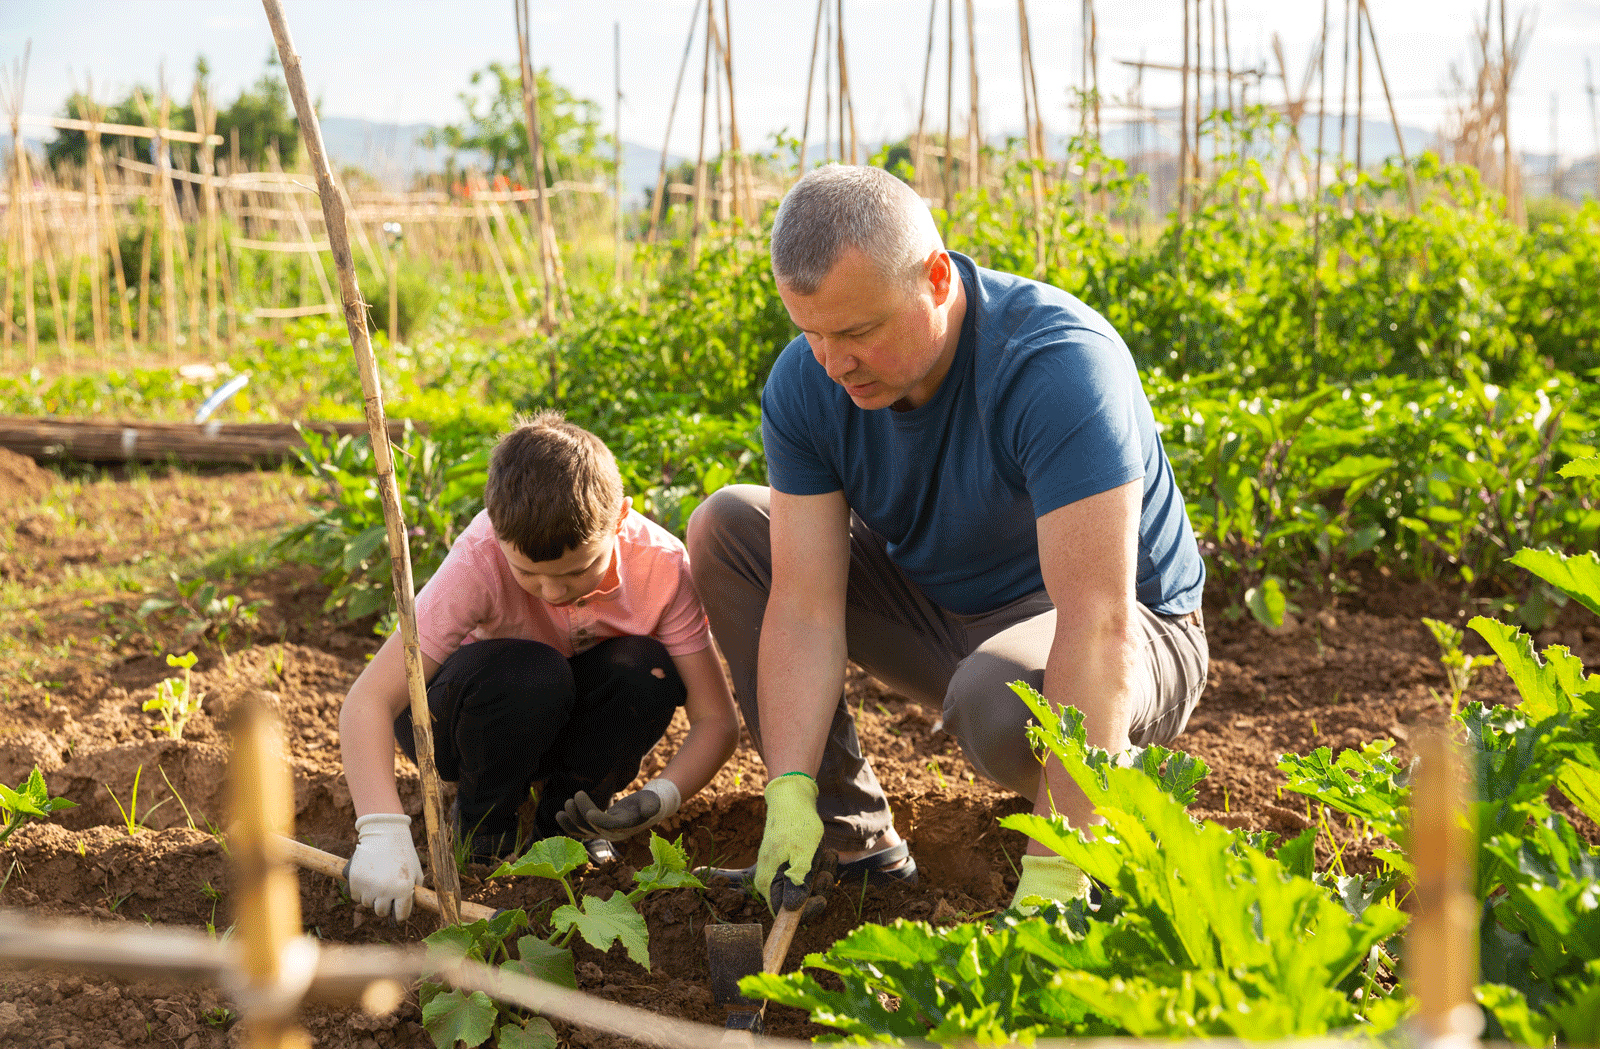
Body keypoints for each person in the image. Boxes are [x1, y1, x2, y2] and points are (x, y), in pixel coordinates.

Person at [687, 165, 1207, 911]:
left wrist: (1062, 860)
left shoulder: (1055, 363)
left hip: (1128, 632)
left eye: (859, 332)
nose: (834, 364)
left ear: (936, 278)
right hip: (949, 615)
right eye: (812, 333)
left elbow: (1101, 620)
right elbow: (802, 607)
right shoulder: (811, 381)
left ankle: (1108, 826)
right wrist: (790, 785)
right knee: (730, 529)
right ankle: (843, 841)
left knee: (1000, 702)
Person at [341, 411, 740, 920]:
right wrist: (381, 830)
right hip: (470, 715)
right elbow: (370, 700)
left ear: (620, 520)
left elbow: (716, 720)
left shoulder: (660, 565)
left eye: (578, 571)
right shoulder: (481, 556)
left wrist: (660, 797)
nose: (552, 592)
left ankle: (569, 829)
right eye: (527, 573)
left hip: (573, 717)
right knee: (532, 674)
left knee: (646, 668)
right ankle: (484, 828)